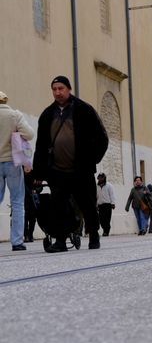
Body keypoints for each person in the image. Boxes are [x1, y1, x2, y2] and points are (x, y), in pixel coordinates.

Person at [32, 76, 108, 252]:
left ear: (69, 89)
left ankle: (94, 235)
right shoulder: (47, 114)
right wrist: (39, 173)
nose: (57, 92)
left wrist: (92, 159)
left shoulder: (84, 110)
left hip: (81, 169)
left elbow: (102, 137)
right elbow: (40, 145)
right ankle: (60, 240)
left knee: (87, 204)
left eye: (61, 88)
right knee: (58, 206)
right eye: (54, 89)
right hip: (57, 170)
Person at [0, 91, 36, 251]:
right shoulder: (15, 115)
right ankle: (17, 241)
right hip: (13, 162)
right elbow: (30, 134)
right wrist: (15, 134)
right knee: (17, 201)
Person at [96, 172, 116, 236]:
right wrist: (96, 204)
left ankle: (106, 231)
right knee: (101, 219)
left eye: (102, 178)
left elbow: (112, 195)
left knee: (107, 219)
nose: (100, 179)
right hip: (100, 205)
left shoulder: (109, 185)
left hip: (107, 205)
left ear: (104, 178)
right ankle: (105, 229)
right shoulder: (97, 186)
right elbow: (96, 196)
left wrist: (113, 203)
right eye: (99, 178)